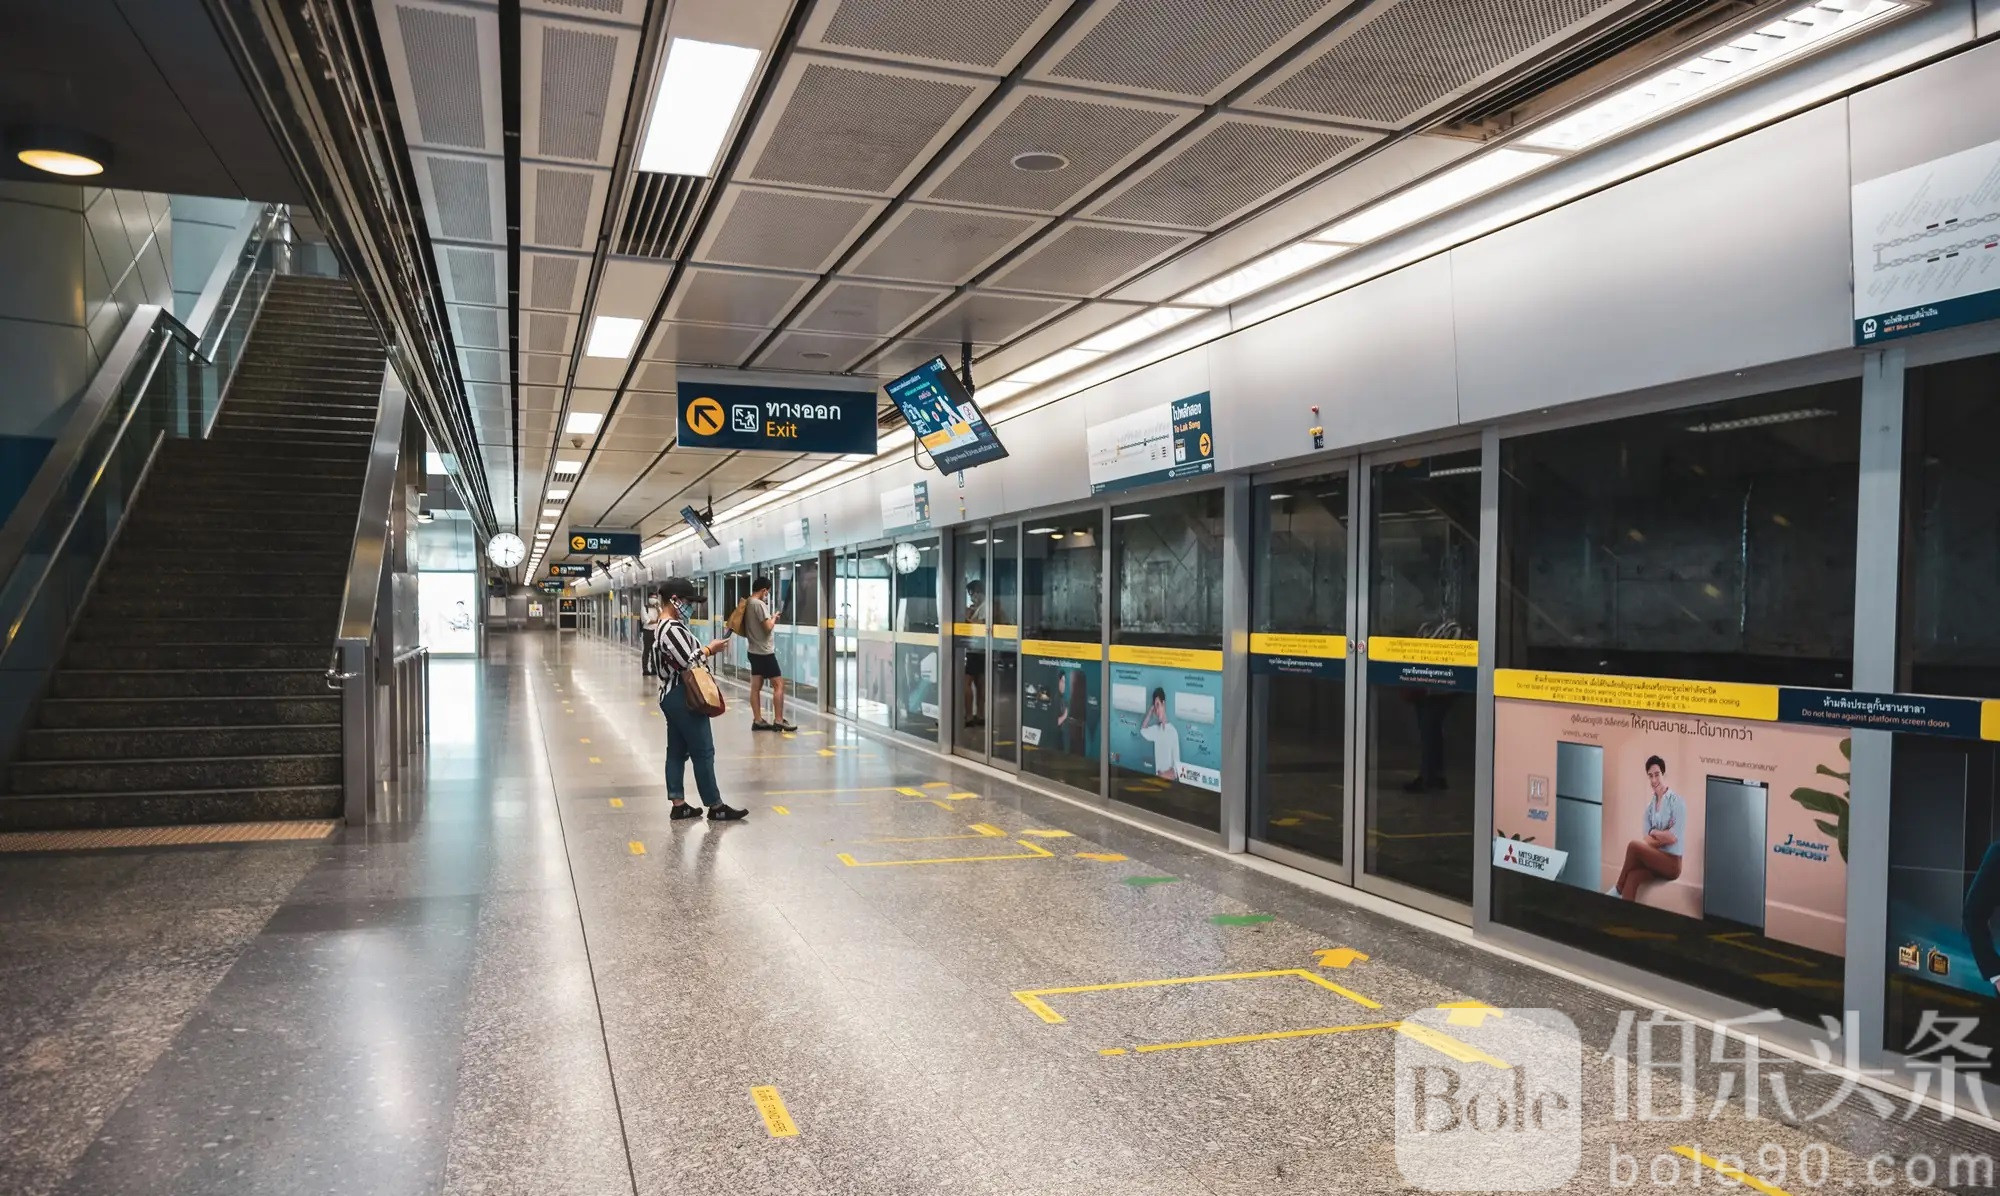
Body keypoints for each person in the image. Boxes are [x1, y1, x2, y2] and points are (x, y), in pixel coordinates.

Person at [652, 578, 747, 822]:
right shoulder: (670, 628)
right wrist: (709, 649)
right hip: (684, 695)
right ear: (675, 600)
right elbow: (688, 661)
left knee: (676, 750)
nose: (690, 607)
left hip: (672, 695)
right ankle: (715, 806)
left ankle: (679, 804)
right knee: (703, 750)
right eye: (688, 601)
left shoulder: (665, 626)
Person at [1609, 755, 1684, 899]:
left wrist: (1654, 832)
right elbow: (1647, 839)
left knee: (1633, 846)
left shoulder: (1676, 802)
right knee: (1633, 876)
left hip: (1672, 864)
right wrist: (1662, 835)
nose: (1654, 780)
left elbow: (1673, 837)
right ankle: (1620, 911)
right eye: (1650, 776)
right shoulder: (1650, 807)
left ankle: (1617, 889)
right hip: (1655, 859)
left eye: (1657, 774)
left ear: (1664, 774)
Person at [743, 576, 795, 732]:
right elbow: (767, 627)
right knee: (779, 685)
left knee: (755, 687)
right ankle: (779, 720)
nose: (767, 595)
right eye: (767, 592)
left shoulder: (747, 603)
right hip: (764, 652)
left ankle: (758, 720)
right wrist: (773, 618)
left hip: (753, 651)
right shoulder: (759, 604)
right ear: (764, 590)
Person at [1138, 686, 1180, 781]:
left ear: (1163, 704)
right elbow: (1143, 730)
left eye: (1158, 705)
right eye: (1155, 707)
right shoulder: (1156, 730)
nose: (1157, 711)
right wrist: (1150, 711)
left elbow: (1177, 770)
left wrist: (1162, 775)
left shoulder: (1173, 732)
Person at [961, 579, 986, 728]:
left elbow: (982, 625)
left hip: (976, 650)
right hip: (980, 650)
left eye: (972, 594)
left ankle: (969, 715)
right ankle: (980, 715)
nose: (972, 598)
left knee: (966, 682)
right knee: (980, 683)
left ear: (978, 592)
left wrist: (966, 619)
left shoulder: (985, 606)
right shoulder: (981, 607)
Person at [639, 594, 662, 678]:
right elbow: (647, 621)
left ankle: (654, 669)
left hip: (656, 632)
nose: (654, 599)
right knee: (646, 651)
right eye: (652, 598)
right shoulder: (644, 608)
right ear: (648, 599)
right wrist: (656, 621)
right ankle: (645, 669)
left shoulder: (658, 608)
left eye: (655, 598)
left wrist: (658, 609)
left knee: (654, 651)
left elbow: (661, 618)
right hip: (647, 632)